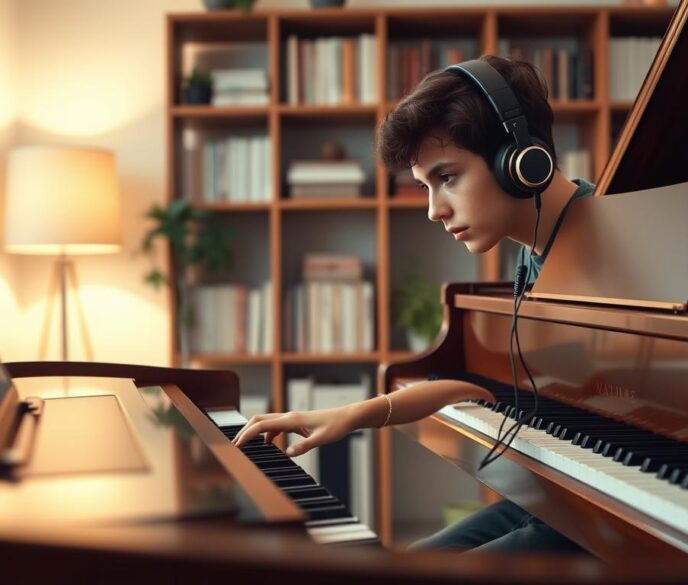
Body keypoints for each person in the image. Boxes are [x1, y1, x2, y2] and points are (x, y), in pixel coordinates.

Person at [233, 55, 594, 554]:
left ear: (520, 160)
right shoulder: (535, 255)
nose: (433, 210)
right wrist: (352, 413)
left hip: (605, 512)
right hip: (560, 501)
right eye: (426, 186)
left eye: (447, 178)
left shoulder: (611, 244)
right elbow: (487, 386)